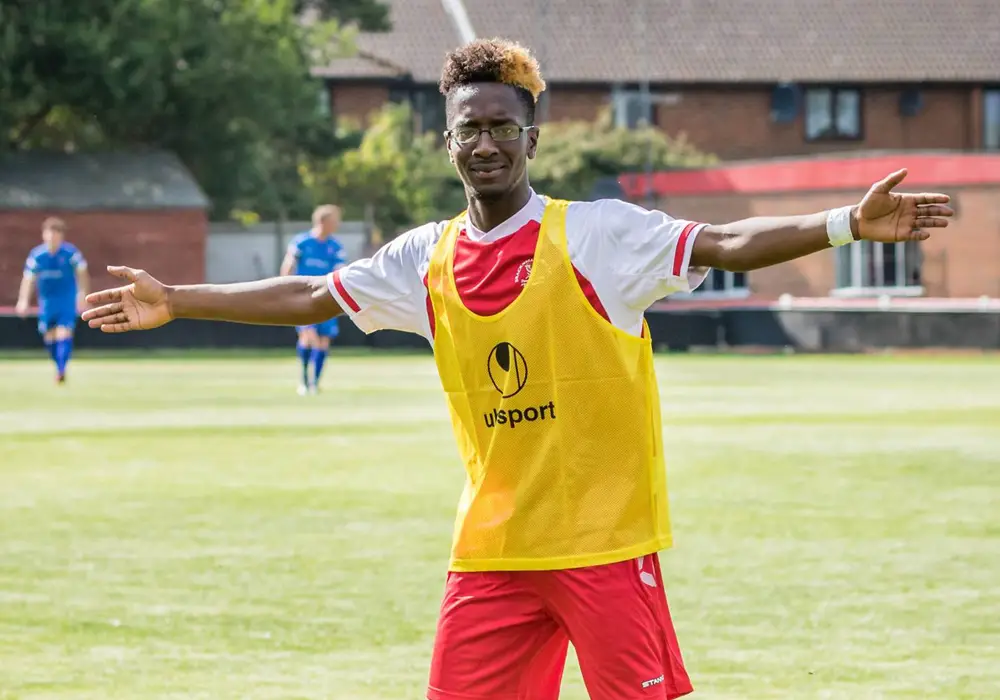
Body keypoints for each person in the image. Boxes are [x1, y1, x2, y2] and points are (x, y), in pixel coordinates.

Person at [82, 39, 953, 700]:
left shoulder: (602, 235)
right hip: (493, 553)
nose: (487, 142)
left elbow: (726, 242)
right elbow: (310, 295)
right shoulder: (423, 259)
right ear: (449, 143)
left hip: (606, 550)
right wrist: (178, 297)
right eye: (471, 129)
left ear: (530, 136)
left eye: (503, 126)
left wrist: (843, 223)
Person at [278, 204, 346, 395]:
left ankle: (314, 383)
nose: (337, 224)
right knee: (309, 337)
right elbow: (288, 265)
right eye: (334, 221)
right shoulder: (302, 242)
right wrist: (285, 289)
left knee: (324, 341)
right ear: (322, 221)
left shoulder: (335, 247)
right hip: (303, 298)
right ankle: (303, 381)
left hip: (326, 298)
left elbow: (340, 271)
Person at [16, 217, 89, 383]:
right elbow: (28, 279)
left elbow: (82, 273)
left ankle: (62, 370)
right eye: (49, 234)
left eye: (56, 234)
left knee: (64, 331)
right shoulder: (37, 255)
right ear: (44, 235)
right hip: (47, 303)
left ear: (61, 236)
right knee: (49, 338)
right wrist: (23, 300)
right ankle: (59, 366)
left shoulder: (71, 253)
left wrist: (82, 293)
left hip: (66, 301)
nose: (52, 238)